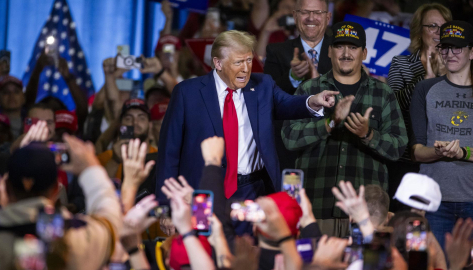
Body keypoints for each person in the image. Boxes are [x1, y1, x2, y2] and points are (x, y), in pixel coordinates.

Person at [156, 30, 338, 236]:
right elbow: (168, 153)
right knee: (206, 250)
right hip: (202, 193)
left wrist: (312, 100)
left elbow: (288, 104)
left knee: (250, 255)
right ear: (218, 63)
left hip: (252, 191)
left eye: (249, 60)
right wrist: (166, 207)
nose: (246, 69)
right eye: (238, 63)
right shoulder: (187, 93)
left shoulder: (262, 86)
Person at [282, 21, 408, 237]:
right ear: (329, 51)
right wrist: (330, 124)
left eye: (353, 47)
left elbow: (398, 147)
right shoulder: (308, 89)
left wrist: (368, 135)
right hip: (316, 207)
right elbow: (289, 137)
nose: (346, 53)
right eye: (340, 46)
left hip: (367, 214)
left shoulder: (382, 93)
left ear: (364, 52)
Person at [0, 133, 121, 270]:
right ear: (56, 190)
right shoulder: (78, 238)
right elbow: (111, 222)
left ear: (5, 188)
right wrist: (90, 168)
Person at [409, 20, 473, 251]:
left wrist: (462, 152)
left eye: (458, 47)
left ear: (471, 51)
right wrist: (438, 152)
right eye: (445, 48)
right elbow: (416, 151)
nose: (450, 54)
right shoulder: (425, 89)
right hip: (433, 201)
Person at [387, 3, 452, 210]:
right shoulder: (401, 64)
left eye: (444, 27)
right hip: (408, 160)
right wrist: (425, 80)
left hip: (447, 161)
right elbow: (394, 105)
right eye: (432, 26)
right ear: (419, 30)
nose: (439, 33)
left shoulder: (459, 66)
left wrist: (444, 76)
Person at [264, 0, 334, 171]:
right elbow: (268, 98)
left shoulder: (342, 51)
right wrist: (292, 77)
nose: (311, 18)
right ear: (295, 16)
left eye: (317, 12)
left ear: (328, 17)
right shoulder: (276, 51)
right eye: (305, 12)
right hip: (290, 149)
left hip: (332, 147)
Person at [97, 98, 157, 180]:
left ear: (150, 125)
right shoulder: (105, 158)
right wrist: (114, 161)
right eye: (128, 118)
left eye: (141, 118)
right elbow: (98, 189)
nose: (135, 122)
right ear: (120, 125)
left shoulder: (160, 158)